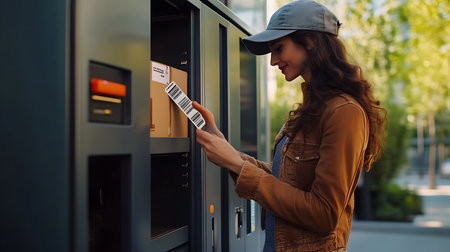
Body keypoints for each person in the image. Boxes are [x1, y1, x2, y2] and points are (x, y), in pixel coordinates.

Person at [192, 0, 387, 251]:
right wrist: (225, 149)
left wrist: (236, 163)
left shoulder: (344, 112)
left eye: (279, 48)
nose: (273, 61)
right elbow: (282, 179)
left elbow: (324, 213)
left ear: (311, 42)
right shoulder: (312, 108)